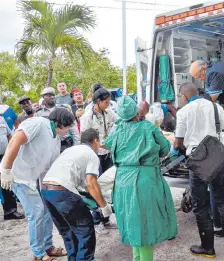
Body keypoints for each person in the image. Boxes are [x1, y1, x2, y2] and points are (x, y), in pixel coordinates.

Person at [104, 96, 177, 261]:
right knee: (144, 226)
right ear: (137, 112)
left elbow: (107, 144)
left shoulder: (117, 129)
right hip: (145, 180)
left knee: (132, 222)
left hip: (122, 181)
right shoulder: (147, 127)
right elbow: (165, 149)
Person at [173, 82, 224, 258]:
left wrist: (175, 150)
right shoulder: (215, 107)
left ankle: (208, 247)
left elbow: (178, 142)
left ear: (184, 96)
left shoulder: (183, 112)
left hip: (197, 161)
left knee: (200, 204)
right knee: (223, 201)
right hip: (216, 159)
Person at [0, 108, 75, 261]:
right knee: (36, 212)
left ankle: (48, 246)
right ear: (62, 123)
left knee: (47, 209)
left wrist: (49, 189)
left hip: (33, 177)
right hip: (18, 175)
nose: (69, 130)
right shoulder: (39, 123)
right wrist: (6, 169)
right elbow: (15, 140)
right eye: (69, 126)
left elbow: (47, 168)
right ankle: (38, 254)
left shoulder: (55, 139)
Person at [42, 129, 112, 261]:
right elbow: (92, 183)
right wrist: (103, 205)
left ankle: (73, 258)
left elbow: (81, 183)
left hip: (46, 190)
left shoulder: (71, 150)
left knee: (67, 230)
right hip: (62, 189)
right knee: (84, 228)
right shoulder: (91, 155)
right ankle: (85, 259)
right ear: (95, 140)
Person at [80, 88, 119, 230]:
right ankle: (97, 219)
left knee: (108, 184)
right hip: (94, 155)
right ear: (98, 101)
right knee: (95, 185)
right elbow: (84, 138)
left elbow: (120, 120)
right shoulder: (87, 117)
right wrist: (98, 145)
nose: (108, 104)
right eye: (106, 102)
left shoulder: (108, 112)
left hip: (107, 153)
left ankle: (106, 218)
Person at [35, 87, 80, 151]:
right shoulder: (39, 113)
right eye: (49, 95)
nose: (52, 97)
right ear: (43, 97)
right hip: (49, 145)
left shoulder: (63, 108)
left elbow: (73, 126)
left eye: (53, 95)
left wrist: (77, 145)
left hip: (65, 144)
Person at [0, 115, 25, 220]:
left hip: (4, 156)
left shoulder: (1, 119)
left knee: (7, 183)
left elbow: (9, 135)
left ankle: (10, 211)